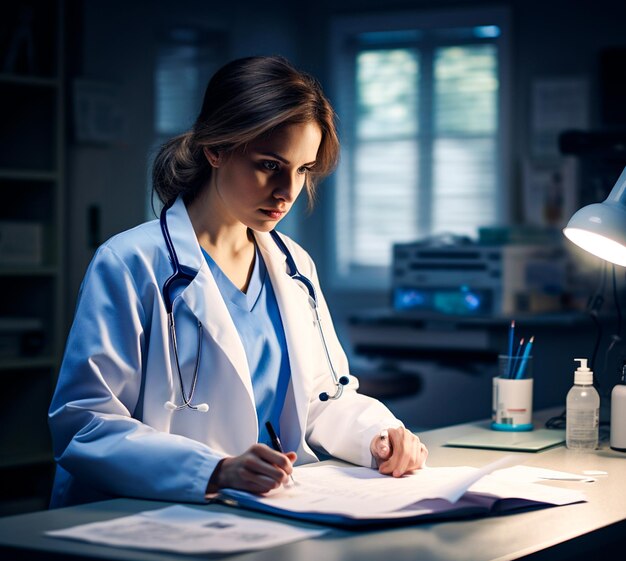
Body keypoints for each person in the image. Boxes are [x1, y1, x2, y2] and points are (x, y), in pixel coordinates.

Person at [48, 55, 428, 508]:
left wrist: (380, 437)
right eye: (270, 165)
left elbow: (325, 400)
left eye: (303, 169)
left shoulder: (294, 267)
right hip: (147, 513)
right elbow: (84, 423)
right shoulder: (130, 263)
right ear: (216, 150)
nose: (288, 191)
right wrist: (213, 470)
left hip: (268, 510)